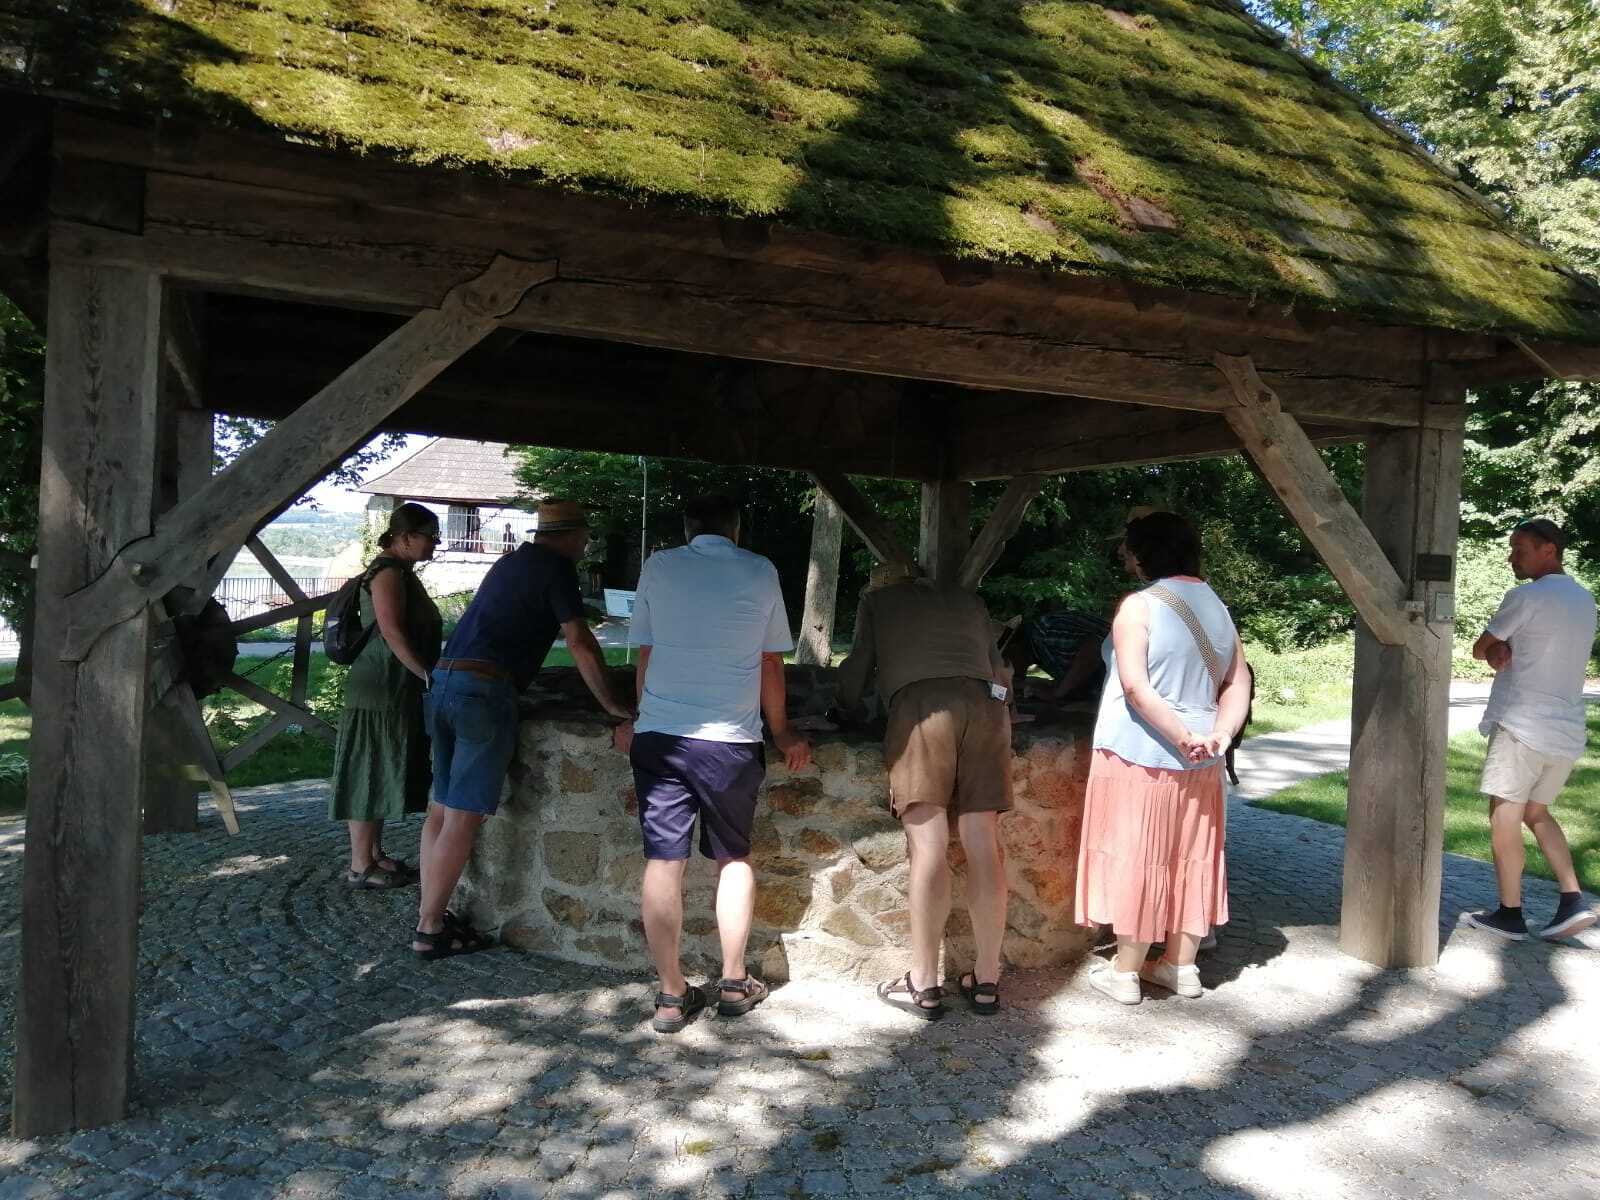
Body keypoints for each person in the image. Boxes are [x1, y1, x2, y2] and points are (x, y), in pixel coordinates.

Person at [612, 494, 812, 1034]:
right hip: (729, 742)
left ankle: (671, 994)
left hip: (660, 737)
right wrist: (782, 730)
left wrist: (641, 716)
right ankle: (733, 982)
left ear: (687, 529)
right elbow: (770, 660)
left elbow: (647, 652)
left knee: (663, 862)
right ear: (736, 528)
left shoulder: (659, 567)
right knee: (734, 858)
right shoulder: (759, 569)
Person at [414, 499, 633, 959]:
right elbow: (579, 640)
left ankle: (430, 912)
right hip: (483, 691)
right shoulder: (556, 568)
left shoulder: (511, 562)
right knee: (462, 815)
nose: (586, 544)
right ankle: (430, 928)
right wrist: (612, 703)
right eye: (585, 536)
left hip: (444, 681)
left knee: (440, 807)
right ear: (573, 536)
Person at [1078, 511, 1250, 1005]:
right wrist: (1217, 735)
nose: (1124, 557)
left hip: (1140, 752)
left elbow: (1135, 686)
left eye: (1128, 549)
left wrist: (1179, 736)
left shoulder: (1139, 606)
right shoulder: (1217, 606)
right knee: (1192, 856)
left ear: (1142, 554)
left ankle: (1125, 973)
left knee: (1140, 853)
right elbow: (1238, 681)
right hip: (1202, 758)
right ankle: (1182, 966)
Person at [835, 561, 1015, 1019]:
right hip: (987, 709)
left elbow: (857, 668)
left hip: (922, 707)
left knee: (929, 846)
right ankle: (987, 979)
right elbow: (1001, 675)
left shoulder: (877, 602)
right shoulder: (969, 601)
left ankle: (924, 981)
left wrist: (844, 709)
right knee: (983, 843)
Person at [1462, 519, 1597, 942]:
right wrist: (1504, 647)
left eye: (1519, 549)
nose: (1512, 557)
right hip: (1566, 730)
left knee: (1504, 814)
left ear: (1548, 550)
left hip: (1521, 725)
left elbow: (1479, 647)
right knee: (1535, 813)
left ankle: (1510, 914)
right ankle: (1573, 899)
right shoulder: (1585, 600)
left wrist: (1496, 648)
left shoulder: (1526, 596)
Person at [329, 502, 443, 889]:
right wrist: (427, 675)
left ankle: (375, 854)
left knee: (379, 770)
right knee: (368, 769)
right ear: (405, 537)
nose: (435, 543)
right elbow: (392, 632)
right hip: (379, 689)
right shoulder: (388, 573)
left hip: (393, 686)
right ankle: (360, 865)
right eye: (430, 536)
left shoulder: (401, 571)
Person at [1005, 609, 1111, 704]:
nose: (1010, 669)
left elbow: (1092, 650)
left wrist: (1058, 692)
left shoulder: (1045, 631)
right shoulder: (1038, 652)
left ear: (1014, 648)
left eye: (1005, 661)